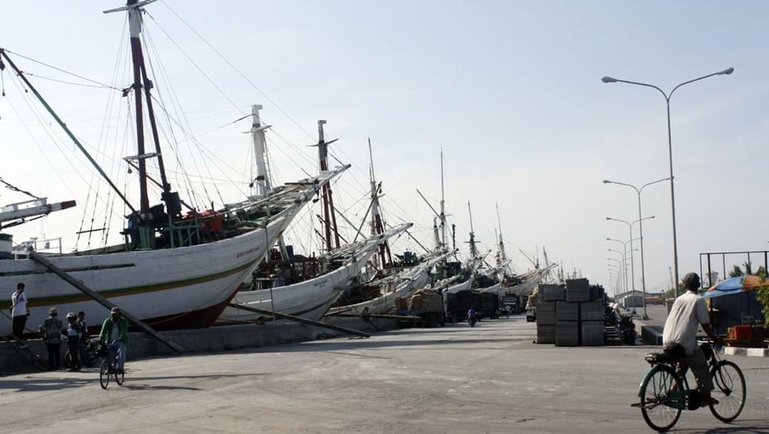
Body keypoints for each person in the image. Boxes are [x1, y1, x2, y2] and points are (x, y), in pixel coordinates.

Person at [662, 272, 723, 406]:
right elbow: (705, 324)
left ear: (685, 285)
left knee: (683, 365)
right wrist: (714, 338)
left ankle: (671, 391)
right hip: (683, 343)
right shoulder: (698, 300)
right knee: (701, 365)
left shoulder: (679, 299)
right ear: (698, 284)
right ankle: (705, 396)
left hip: (668, 340)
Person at [99, 306, 129, 373]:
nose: (114, 316)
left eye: (116, 314)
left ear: (119, 315)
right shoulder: (107, 321)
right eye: (113, 314)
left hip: (119, 342)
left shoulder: (124, 321)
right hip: (109, 342)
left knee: (122, 349)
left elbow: (123, 332)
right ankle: (108, 368)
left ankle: (120, 368)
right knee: (102, 352)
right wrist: (101, 339)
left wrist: (120, 338)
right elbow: (103, 332)